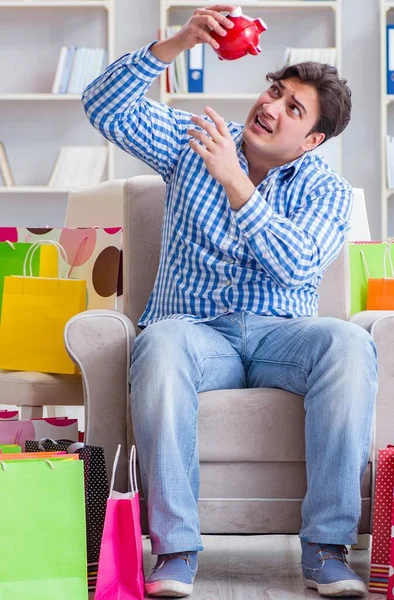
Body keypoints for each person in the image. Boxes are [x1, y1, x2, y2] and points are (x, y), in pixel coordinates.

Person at [82, 5, 377, 598]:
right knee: (158, 344)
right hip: (193, 330)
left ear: (313, 139)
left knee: (349, 340)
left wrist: (236, 184)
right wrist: (177, 43)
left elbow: (296, 263)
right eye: (274, 90)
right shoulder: (198, 141)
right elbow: (102, 106)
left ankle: (325, 549)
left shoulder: (328, 191)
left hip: (282, 337)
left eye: (293, 107)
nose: (269, 106)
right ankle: (177, 551)